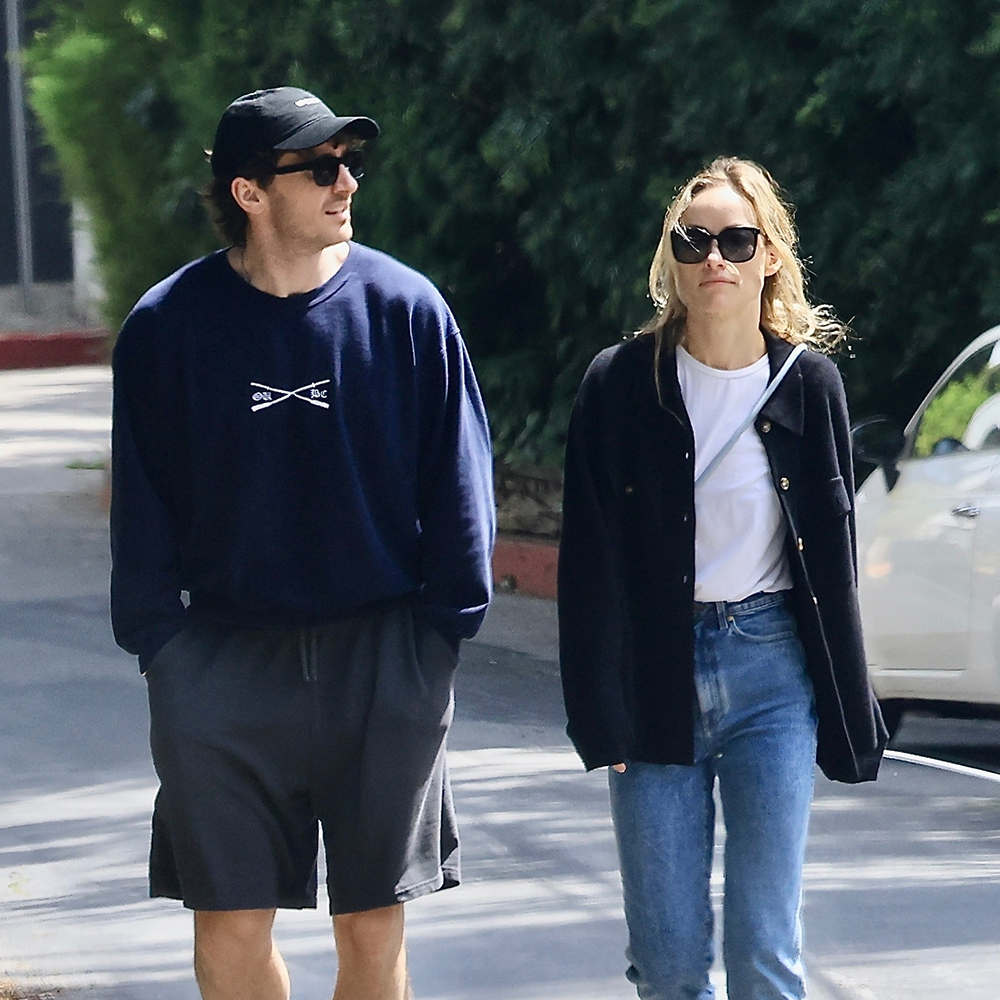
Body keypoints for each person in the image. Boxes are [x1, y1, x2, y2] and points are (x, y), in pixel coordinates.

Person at [110, 87, 495, 1000]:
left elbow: (458, 482)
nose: (345, 182)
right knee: (230, 919)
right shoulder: (167, 328)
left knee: (371, 922)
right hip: (220, 664)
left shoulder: (407, 309)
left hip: (383, 657)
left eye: (350, 163)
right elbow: (144, 504)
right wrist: (162, 647)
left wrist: (439, 637)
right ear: (249, 191)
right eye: (320, 167)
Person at [557, 157, 887, 1000]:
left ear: (770, 256)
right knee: (667, 963)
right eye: (693, 240)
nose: (715, 258)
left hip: (771, 671)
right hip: (654, 676)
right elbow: (589, 564)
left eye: (737, 240)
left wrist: (851, 709)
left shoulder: (810, 386)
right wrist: (602, 715)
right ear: (670, 256)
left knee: (764, 950)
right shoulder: (620, 384)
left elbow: (834, 566)